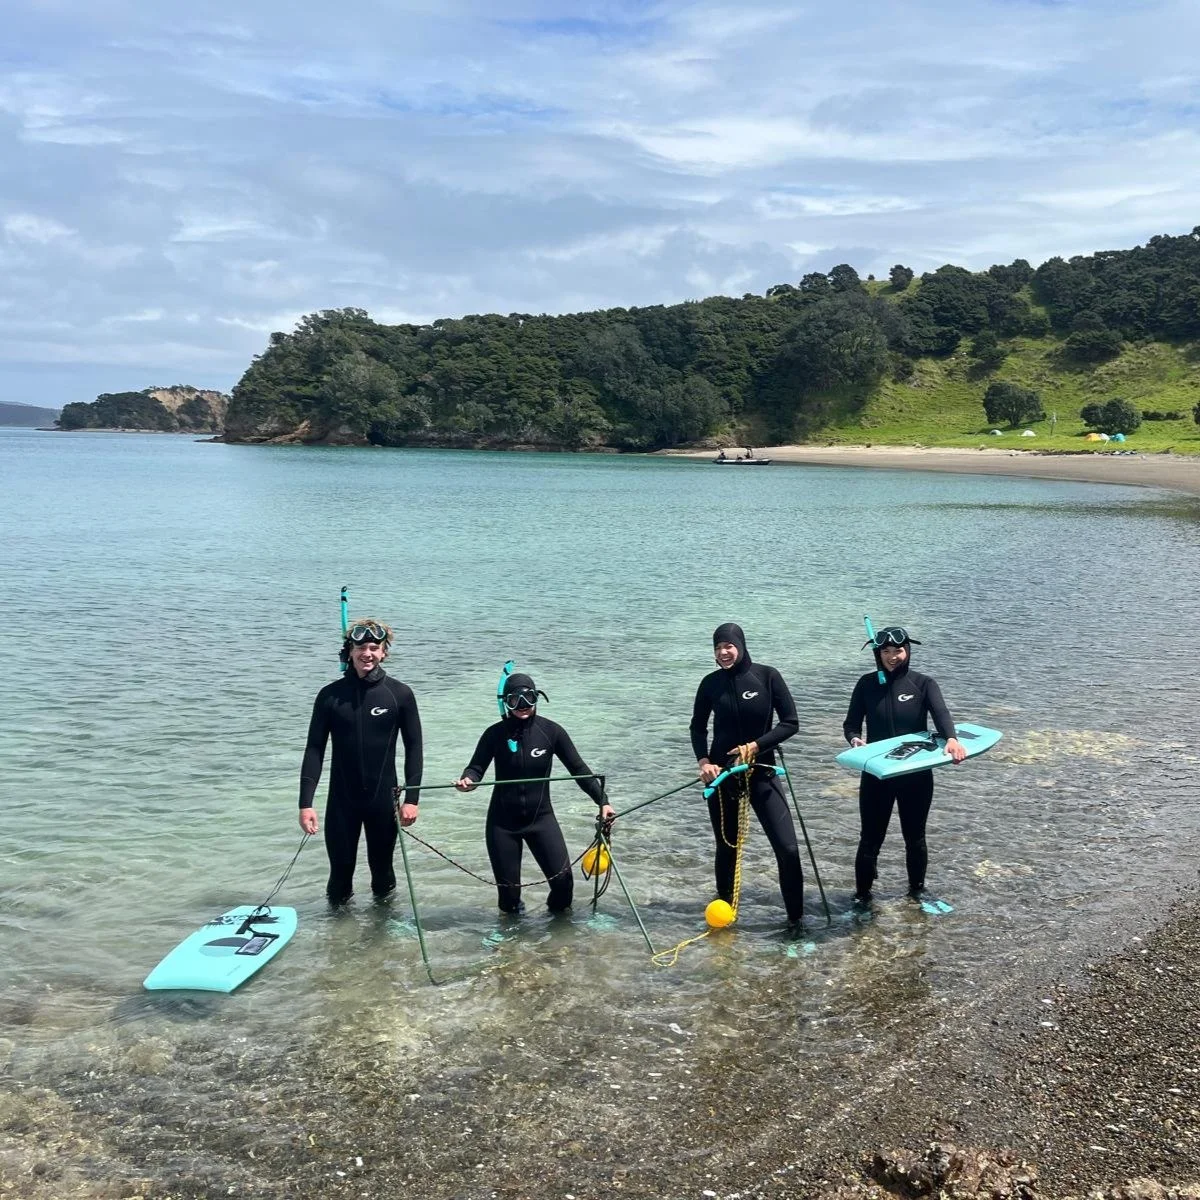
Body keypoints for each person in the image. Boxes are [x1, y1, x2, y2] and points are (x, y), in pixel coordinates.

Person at [454, 671, 614, 914]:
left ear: (538, 698)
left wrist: (602, 801)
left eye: (529, 698)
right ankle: (513, 944)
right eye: (515, 700)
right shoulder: (494, 734)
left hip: (541, 819)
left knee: (563, 885)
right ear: (505, 702)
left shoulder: (552, 732)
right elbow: (476, 767)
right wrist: (469, 781)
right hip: (502, 823)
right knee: (508, 897)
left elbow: (579, 770)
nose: (523, 706)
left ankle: (554, 936)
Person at [298, 619, 423, 905]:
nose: (367, 653)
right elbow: (314, 750)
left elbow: (414, 748)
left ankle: (384, 937)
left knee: (382, 873)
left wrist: (412, 799)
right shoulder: (330, 696)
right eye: (360, 648)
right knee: (339, 877)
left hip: (383, 800)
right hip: (342, 802)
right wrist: (305, 803)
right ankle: (338, 942)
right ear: (349, 651)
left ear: (384, 653)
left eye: (374, 648)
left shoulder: (399, 694)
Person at [689, 622, 805, 926]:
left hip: (762, 771)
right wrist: (704, 763)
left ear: (740, 645)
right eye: (717, 648)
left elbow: (790, 723)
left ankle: (796, 922)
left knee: (788, 848)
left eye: (728, 646)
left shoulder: (767, 677)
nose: (723, 653)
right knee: (726, 848)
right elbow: (698, 727)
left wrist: (755, 745)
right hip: (723, 775)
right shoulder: (710, 684)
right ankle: (724, 922)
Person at [842, 626, 966, 907]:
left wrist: (952, 740)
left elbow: (941, 714)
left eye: (897, 650)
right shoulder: (866, 685)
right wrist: (854, 739)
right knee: (870, 839)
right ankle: (862, 898)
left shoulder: (923, 684)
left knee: (915, 836)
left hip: (915, 775)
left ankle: (918, 892)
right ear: (878, 653)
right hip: (878, 774)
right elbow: (851, 724)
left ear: (907, 650)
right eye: (885, 651)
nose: (892, 656)